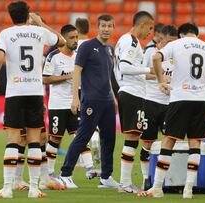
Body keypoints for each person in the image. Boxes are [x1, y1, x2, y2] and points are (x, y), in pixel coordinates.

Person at [0, 1, 65, 198]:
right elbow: (62, 41)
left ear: (11, 16)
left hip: (15, 92)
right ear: (28, 14)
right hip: (35, 92)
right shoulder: (38, 32)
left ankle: (7, 188)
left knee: (13, 140)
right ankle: (34, 188)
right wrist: (40, 23)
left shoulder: (5, 34)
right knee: (34, 140)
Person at [139, 23, 205, 199]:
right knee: (195, 143)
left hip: (180, 98)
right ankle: (189, 189)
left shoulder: (176, 44)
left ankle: (157, 187)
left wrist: (161, 81)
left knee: (168, 140)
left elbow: (156, 58)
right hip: (200, 100)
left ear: (181, 34)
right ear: (196, 34)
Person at [59, 14, 119, 189]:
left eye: (110, 26)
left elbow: (108, 77)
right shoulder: (86, 46)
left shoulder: (109, 49)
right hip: (91, 100)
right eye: (103, 26)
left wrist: (113, 97)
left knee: (109, 139)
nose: (106, 29)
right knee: (83, 136)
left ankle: (106, 177)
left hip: (107, 101)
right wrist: (75, 98)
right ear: (97, 27)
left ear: (113, 28)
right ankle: (65, 174)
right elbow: (76, 71)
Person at [43, 24, 100, 189]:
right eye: (72, 38)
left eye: (77, 37)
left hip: (76, 103)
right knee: (55, 139)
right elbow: (45, 79)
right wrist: (68, 76)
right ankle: (49, 174)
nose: (75, 41)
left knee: (80, 136)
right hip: (58, 105)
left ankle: (90, 168)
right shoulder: (53, 56)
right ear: (64, 39)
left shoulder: (79, 57)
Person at [114, 11, 154, 193]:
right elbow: (125, 67)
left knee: (133, 136)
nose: (150, 32)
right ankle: (125, 183)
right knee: (132, 137)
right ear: (143, 24)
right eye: (150, 28)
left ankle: (125, 182)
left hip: (131, 92)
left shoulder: (126, 40)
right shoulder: (131, 41)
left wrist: (149, 74)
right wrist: (147, 69)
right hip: (131, 93)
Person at [140, 25, 177, 189]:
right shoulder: (150, 53)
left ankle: (163, 180)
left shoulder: (178, 55)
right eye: (168, 41)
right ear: (162, 39)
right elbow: (141, 73)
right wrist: (160, 77)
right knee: (148, 142)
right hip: (151, 101)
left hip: (170, 104)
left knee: (169, 142)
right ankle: (144, 179)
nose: (171, 45)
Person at [75, 17, 101, 165]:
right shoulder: (93, 45)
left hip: (75, 88)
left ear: (77, 29)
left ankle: (82, 156)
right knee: (91, 121)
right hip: (92, 88)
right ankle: (96, 139)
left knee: (78, 125)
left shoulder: (70, 44)